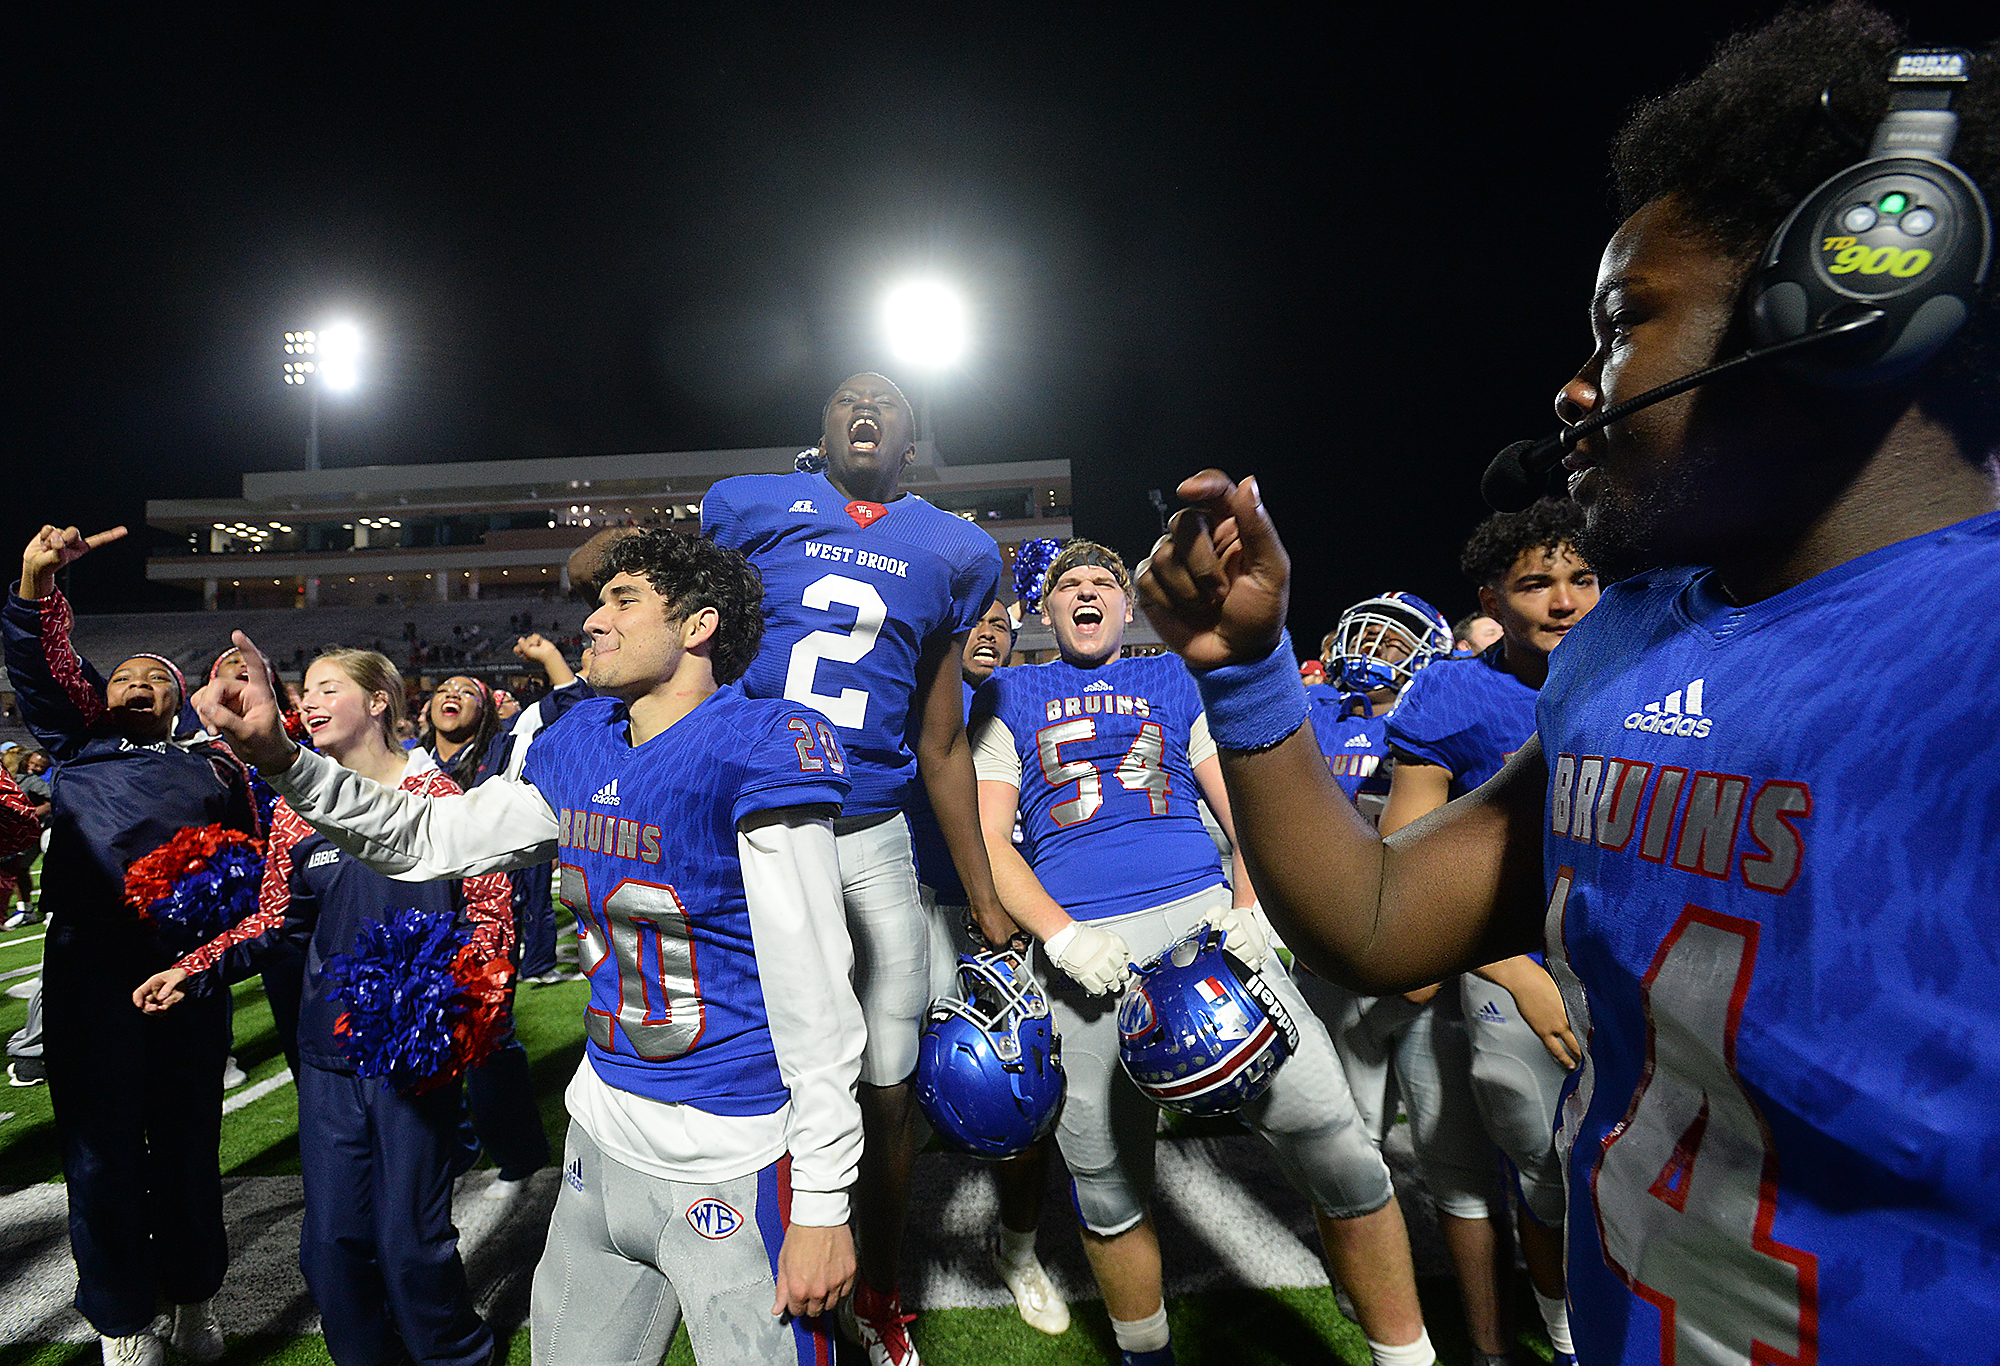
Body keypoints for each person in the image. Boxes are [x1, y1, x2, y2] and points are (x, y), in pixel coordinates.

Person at [1136, 9, 2000, 1360]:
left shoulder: (1972, 649)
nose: (1575, 387)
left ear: (1843, 308)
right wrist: (1248, 671)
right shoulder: (1632, 637)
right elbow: (1374, 914)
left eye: (1624, 327)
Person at [190, 529, 864, 1366]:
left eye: (624, 601)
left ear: (698, 627)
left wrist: (825, 1199)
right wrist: (282, 758)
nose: (593, 623)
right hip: (602, 1133)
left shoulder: (759, 742)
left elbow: (816, 986)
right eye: (595, 603)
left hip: (732, 1149)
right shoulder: (580, 744)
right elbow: (427, 835)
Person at [972, 540, 1437, 1366]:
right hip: (1086, 950)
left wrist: (1253, 909)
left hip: (1204, 927)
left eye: (1101, 585)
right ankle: (1146, 1356)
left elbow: (1248, 808)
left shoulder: (1173, 680)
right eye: (1067, 586)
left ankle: (1407, 1355)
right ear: (1046, 610)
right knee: (1109, 1189)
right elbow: (990, 847)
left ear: (1127, 605)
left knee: (1342, 1152)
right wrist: (1062, 935)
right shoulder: (1010, 693)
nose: (1085, 595)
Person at [701, 371, 1009, 1366]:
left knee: (887, 1081)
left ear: (913, 432)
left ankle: (876, 1287)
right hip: (749, 820)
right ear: (821, 423)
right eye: (843, 395)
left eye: (883, 397)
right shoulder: (748, 506)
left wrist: (983, 893)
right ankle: (751, 1271)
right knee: (747, 1070)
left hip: (871, 829)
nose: (862, 406)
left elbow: (941, 738)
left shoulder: (956, 548)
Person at [134, 648, 514, 1366]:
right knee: (331, 1249)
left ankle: (456, 1356)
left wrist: (459, 1021)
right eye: (303, 689)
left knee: (411, 1247)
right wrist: (194, 964)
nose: (308, 701)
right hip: (326, 1057)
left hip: (413, 1061)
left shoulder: (448, 801)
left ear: (380, 702)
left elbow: (492, 929)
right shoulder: (293, 813)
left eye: (327, 688)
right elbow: (277, 920)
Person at [3, 523, 258, 1366]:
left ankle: (190, 1298)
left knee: (187, 1144)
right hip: (91, 975)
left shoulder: (218, 768)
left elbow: (258, 873)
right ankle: (120, 1318)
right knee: (99, 1154)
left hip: (184, 978)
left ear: (182, 699)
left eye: (158, 677)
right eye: (124, 675)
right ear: (101, 698)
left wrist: (210, 961)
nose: (139, 682)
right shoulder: (76, 748)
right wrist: (37, 586)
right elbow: (43, 669)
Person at [1372, 502, 1598, 1365]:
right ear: (1493, 599)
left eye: (1582, 578)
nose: (1565, 601)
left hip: (1619, 957)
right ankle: (1565, 1340)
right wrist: (1512, 967)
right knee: (1540, 1172)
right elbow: (1403, 870)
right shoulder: (1453, 693)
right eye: (1537, 582)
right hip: (1512, 970)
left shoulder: (1640, 667)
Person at [1297, 594, 1511, 1362]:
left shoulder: (1448, 707)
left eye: (1396, 637)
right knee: (1343, 1154)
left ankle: (1490, 1343)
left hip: (1433, 970)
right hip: (1340, 964)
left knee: (1460, 1168)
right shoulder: (1316, 706)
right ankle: (1365, 1298)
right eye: (1369, 632)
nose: (1377, 646)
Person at [908, 598, 1068, 1335]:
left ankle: (1019, 1250)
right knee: (884, 1098)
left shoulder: (1023, 699)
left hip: (997, 918)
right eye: (978, 619)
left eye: (1004, 624)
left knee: (1024, 1087)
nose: (991, 632)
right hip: (911, 908)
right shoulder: (909, 689)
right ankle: (873, 1255)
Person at [418, 670, 552, 1196]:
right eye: (442, 691)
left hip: (484, 912)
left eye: (467, 691)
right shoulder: (406, 760)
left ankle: (521, 1156)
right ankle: (456, 1144)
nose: (451, 696)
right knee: (423, 1035)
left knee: (488, 1037)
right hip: (422, 913)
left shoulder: (503, 753)